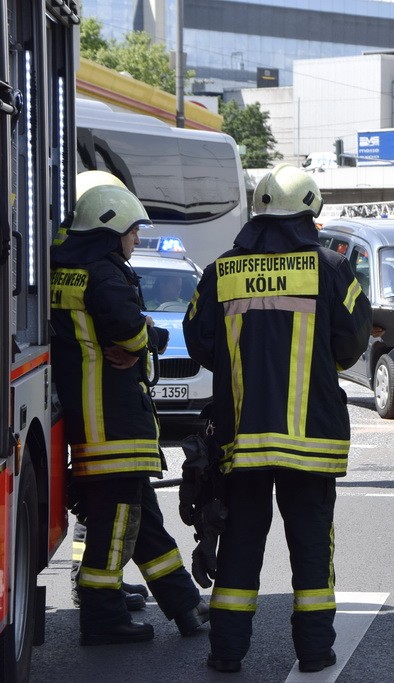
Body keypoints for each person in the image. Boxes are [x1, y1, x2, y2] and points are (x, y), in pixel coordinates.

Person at [183, 164, 372, 674]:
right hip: (311, 440)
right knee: (311, 546)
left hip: (241, 440)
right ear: (309, 212)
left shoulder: (222, 270)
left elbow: (199, 343)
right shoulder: (332, 269)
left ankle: (226, 651)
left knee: (242, 540)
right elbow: (352, 345)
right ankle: (314, 651)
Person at [50, 180, 209, 646]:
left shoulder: (66, 269)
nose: (135, 239)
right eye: (132, 231)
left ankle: (185, 605)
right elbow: (128, 330)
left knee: (142, 518)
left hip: (92, 417)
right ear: (109, 228)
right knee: (116, 523)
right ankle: (102, 618)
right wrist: (149, 340)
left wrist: (137, 340)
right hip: (113, 421)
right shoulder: (104, 273)